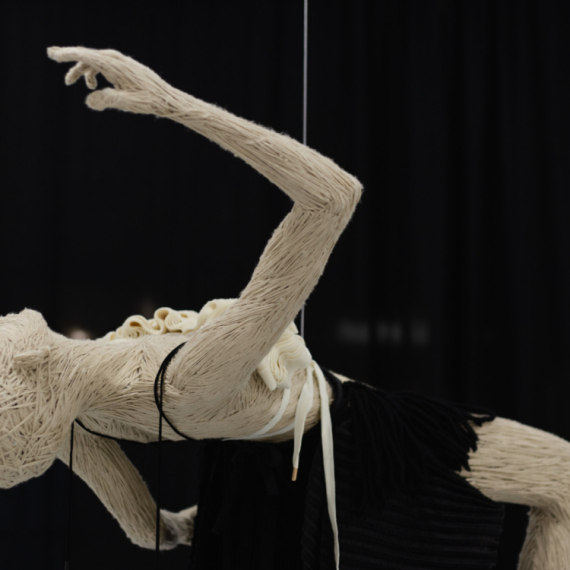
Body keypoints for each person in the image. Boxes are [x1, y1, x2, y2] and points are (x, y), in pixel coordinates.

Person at [0, 46, 568, 569]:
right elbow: (333, 196)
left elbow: (148, 531)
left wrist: (209, 519)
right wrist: (174, 105)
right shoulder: (180, 383)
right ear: (25, 366)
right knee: (562, 479)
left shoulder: (72, 418)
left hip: (267, 473)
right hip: (359, 446)